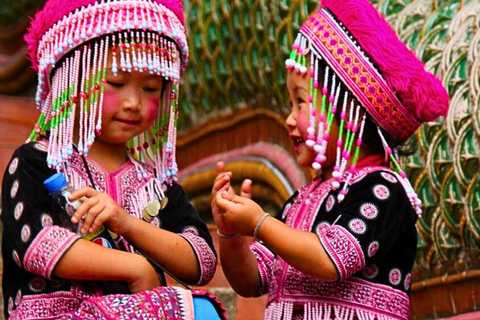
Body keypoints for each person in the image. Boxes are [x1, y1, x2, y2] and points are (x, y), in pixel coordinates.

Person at [211, 0, 449, 319]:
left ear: (347, 108)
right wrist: (230, 235)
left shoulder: (384, 189)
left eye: (300, 103)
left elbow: (330, 260)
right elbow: (251, 281)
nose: (289, 119)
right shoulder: (301, 200)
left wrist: (259, 223)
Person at [1, 0, 224, 319]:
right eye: (117, 83)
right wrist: (134, 267)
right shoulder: (36, 162)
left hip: (136, 312)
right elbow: (36, 244)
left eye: (150, 87)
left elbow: (201, 261)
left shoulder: (157, 186)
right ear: (71, 79)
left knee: (201, 310)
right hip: (60, 313)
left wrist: (126, 223)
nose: (134, 102)